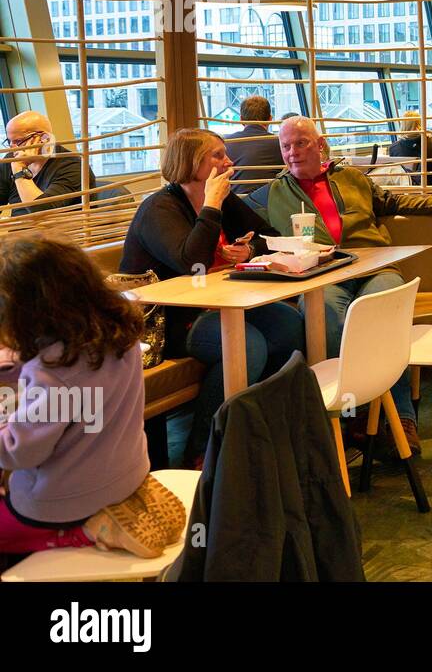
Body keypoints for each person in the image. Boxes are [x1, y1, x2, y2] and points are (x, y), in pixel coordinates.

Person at [268, 117, 432, 453]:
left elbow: (394, 203)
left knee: (383, 318)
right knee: (324, 319)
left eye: (300, 143)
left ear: (320, 144)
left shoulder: (350, 177)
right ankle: (359, 411)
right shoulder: (273, 193)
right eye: (285, 146)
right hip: (325, 276)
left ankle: (401, 419)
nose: (292, 153)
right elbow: (249, 236)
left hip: (375, 266)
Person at [120, 128, 303, 466]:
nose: (228, 162)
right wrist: (212, 203)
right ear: (190, 162)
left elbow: (270, 237)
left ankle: (260, 424)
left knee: (290, 324)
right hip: (168, 322)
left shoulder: (223, 199)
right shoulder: (159, 208)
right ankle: (205, 448)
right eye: (217, 155)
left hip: (220, 304)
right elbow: (192, 263)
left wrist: (248, 249)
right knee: (246, 344)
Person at [0, 235, 184, 558]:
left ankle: (78, 534)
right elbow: (79, 387)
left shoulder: (52, 373)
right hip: (127, 473)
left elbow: (20, 452)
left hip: (65, 501)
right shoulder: (118, 335)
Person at [0, 111, 97, 215]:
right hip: (19, 229)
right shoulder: (12, 157)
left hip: (60, 230)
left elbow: (41, 212)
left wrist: (19, 170)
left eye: (18, 141)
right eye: (9, 141)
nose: (12, 148)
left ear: (44, 138)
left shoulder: (74, 166)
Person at [226, 95, 283, 193]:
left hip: (234, 204)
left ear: (241, 119)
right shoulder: (281, 143)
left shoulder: (226, 143)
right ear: (270, 119)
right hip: (269, 203)